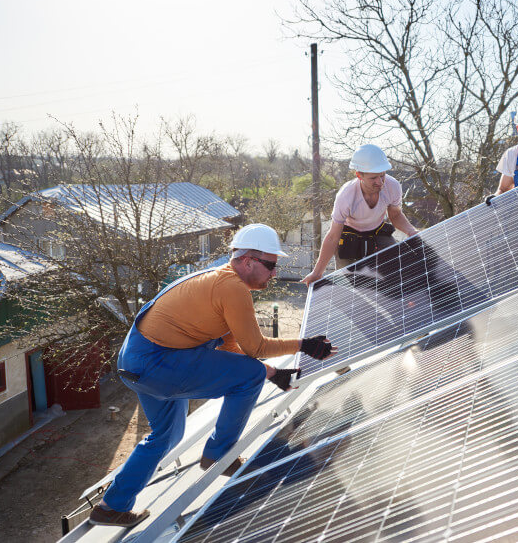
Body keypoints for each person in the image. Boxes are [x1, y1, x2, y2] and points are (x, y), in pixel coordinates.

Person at [88, 223, 337, 528]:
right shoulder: (231, 287)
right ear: (248, 261)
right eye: (271, 265)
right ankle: (220, 455)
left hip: (137, 361)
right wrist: (305, 344)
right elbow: (255, 346)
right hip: (158, 362)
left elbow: (232, 345)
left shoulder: (216, 279)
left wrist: (273, 374)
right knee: (249, 376)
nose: (275, 274)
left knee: (166, 436)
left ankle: (110, 506)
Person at [301, 144, 418, 286]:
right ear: (359, 175)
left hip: (377, 231)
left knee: (397, 266)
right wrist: (317, 272)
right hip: (349, 235)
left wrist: (411, 231)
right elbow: (333, 237)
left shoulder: (392, 187)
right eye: (373, 178)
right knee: (350, 283)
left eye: (382, 175)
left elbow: (395, 216)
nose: (380, 182)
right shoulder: (346, 196)